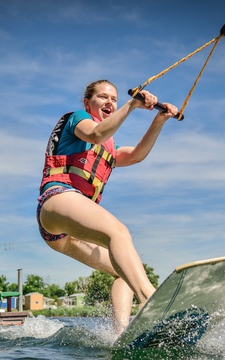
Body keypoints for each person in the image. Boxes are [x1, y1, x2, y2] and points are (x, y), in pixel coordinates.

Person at [37, 79, 178, 334]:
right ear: (87, 102)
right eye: (103, 97)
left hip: (64, 236)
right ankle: (151, 299)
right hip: (56, 201)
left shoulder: (109, 150)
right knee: (119, 233)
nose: (109, 102)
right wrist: (132, 104)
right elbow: (96, 134)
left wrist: (158, 121)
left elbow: (136, 155)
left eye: (113, 99)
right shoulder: (77, 119)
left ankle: (119, 333)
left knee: (121, 269)